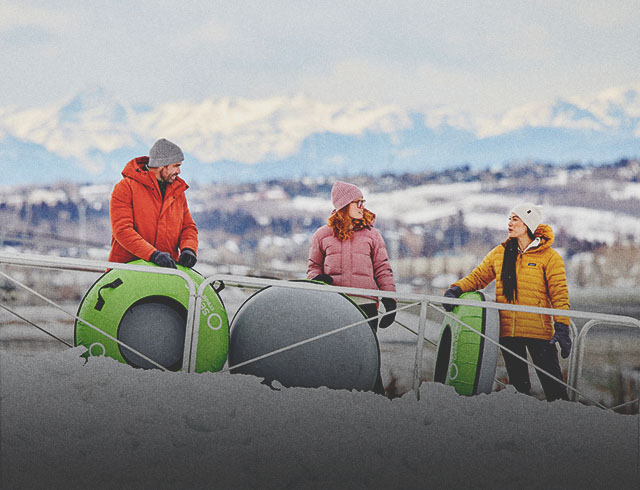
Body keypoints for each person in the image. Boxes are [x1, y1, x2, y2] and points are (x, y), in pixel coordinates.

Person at [442, 203, 571, 401]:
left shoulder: (550, 257)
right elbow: (477, 278)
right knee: (520, 391)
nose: (509, 223)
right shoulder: (500, 253)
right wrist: (456, 289)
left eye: (515, 219)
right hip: (509, 332)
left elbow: (559, 294)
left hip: (539, 332)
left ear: (527, 224)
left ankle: (566, 425)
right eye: (509, 218)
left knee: (555, 390)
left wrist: (562, 326)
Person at [307, 181, 397, 395]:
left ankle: (376, 400)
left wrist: (390, 300)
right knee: (336, 355)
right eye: (358, 202)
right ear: (344, 204)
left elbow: (383, 268)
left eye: (362, 202)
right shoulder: (322, 235)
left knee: (368, 357)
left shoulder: (372, 235)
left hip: (366, 307)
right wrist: (318, 279)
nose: (362, 206)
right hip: (334, 306)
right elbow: (312, 268)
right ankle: (334, 399)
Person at [109, 138, 198, 269]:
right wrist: (153, 255)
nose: (179, 171)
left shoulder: (177, 191)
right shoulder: (126, 188)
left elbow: (188, 227)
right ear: (162, 165)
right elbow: (122, 230)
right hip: (128, 273)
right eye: (176, 166)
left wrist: (189, 248)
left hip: (166, 272)